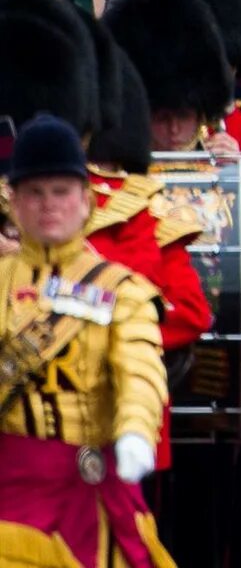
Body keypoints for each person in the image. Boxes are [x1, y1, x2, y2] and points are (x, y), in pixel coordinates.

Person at [0, 114, 170, 568]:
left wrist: (136, 429)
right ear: (14, 202)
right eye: (34, 193)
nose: (48, 205)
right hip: (9, 488)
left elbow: (139, 368)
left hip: (89, 486)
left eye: (61, 192)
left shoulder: (123, 288)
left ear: (86, 201)